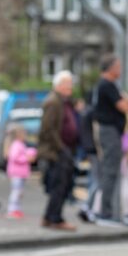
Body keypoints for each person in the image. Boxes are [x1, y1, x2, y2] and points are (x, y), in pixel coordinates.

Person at [92, 54, 128, 226]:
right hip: (110, 132)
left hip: (111, 131)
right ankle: (105, 212)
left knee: (111, 170)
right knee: (110, 170)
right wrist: (127, 100)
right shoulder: (107, 85)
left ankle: (105, 210)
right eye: (118, 66)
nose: (120, 70)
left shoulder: (105, 85)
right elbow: (125, 106)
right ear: (111, 68)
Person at [37, 70, 78, 231]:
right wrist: (61, 148)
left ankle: (50, 216)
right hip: (56, 151)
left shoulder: (62, 101)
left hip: (62, 150)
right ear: (59, 85)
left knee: (61, 185)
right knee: (59, 186)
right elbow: (48, 129)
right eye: (68, 84)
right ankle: (55, 218)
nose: (71, 87)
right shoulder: (53, 102)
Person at [5, 124, 37, 219]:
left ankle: (17, 209)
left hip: (20, 173)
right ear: (19, 135)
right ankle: (12, 210)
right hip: (16, 173)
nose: (26, 136)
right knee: (16, 192)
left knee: (19, 192)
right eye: (24, 134)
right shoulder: (16, 145)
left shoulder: (20, 144)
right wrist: (27, 158)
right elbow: (14, 157)